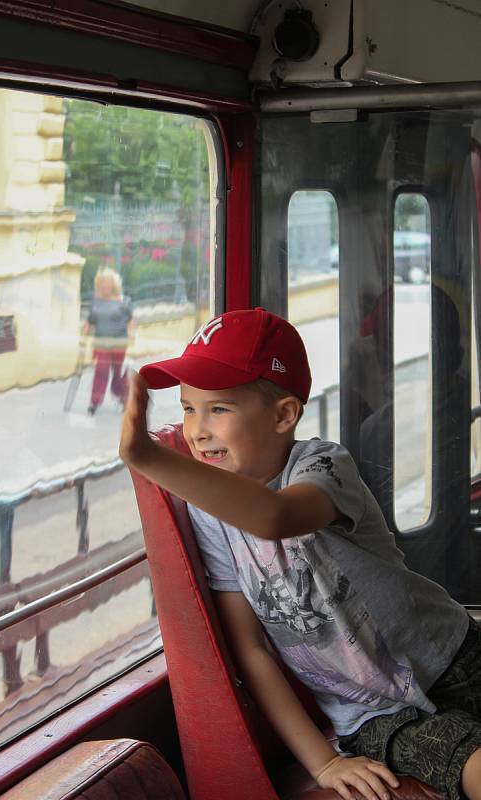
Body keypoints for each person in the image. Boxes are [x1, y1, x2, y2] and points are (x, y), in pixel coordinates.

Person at [119, 307, 481, 800]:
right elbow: (250, 649)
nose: (196, 430)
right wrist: (325, 760)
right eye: (186, 409)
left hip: (454, 653)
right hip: (373, 716)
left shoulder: (322, 465)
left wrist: (148, 458)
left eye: (217, 410)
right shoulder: (209, 517)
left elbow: (276, 517)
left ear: (284, 414)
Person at [83, 268, 132, 415]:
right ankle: (95, 401)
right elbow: (90, 321)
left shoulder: (124, 301)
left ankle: (123, 397)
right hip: (101, 344)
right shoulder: (96, 302)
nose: (105, 285)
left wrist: (132, 338)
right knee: (101, 371)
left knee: (118, 372)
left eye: (108, 282)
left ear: (114, 284)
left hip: (119, 343)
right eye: (102, 282)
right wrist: (83, 337)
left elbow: (130, 322)